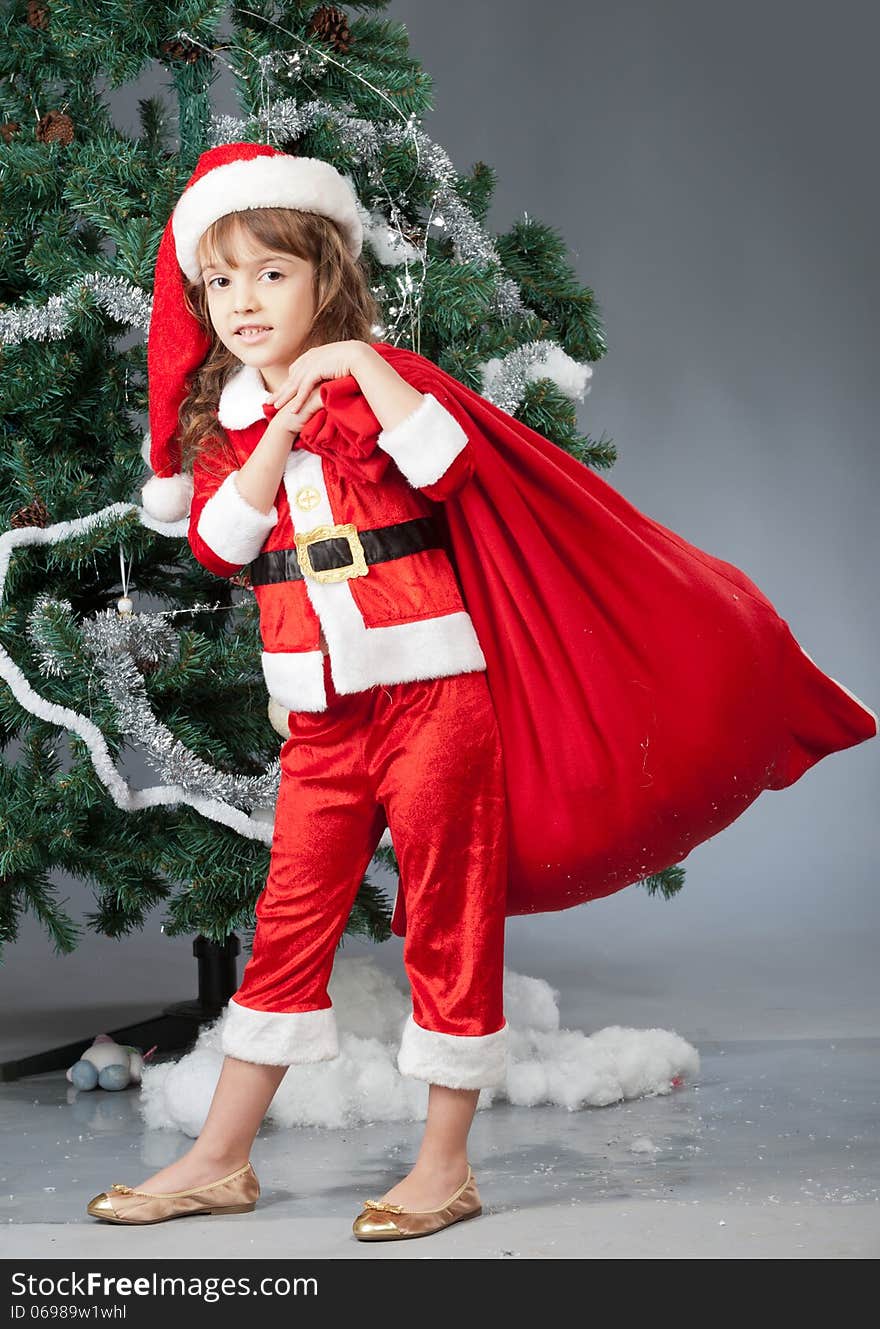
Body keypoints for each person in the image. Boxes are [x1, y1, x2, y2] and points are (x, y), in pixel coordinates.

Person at [86, 142, 505, 1241]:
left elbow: (449, 468)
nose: (241, 301)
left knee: (444, 915)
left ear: (326, 270)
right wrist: (275, 423)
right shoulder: (220, 427)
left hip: (430, 686)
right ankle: (221, 1159)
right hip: (318, 706)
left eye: (270, 272)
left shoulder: (384, 384)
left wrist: (360, 368)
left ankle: (444, 1165)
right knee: (290, 922)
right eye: (219, 282)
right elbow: (224, 547)